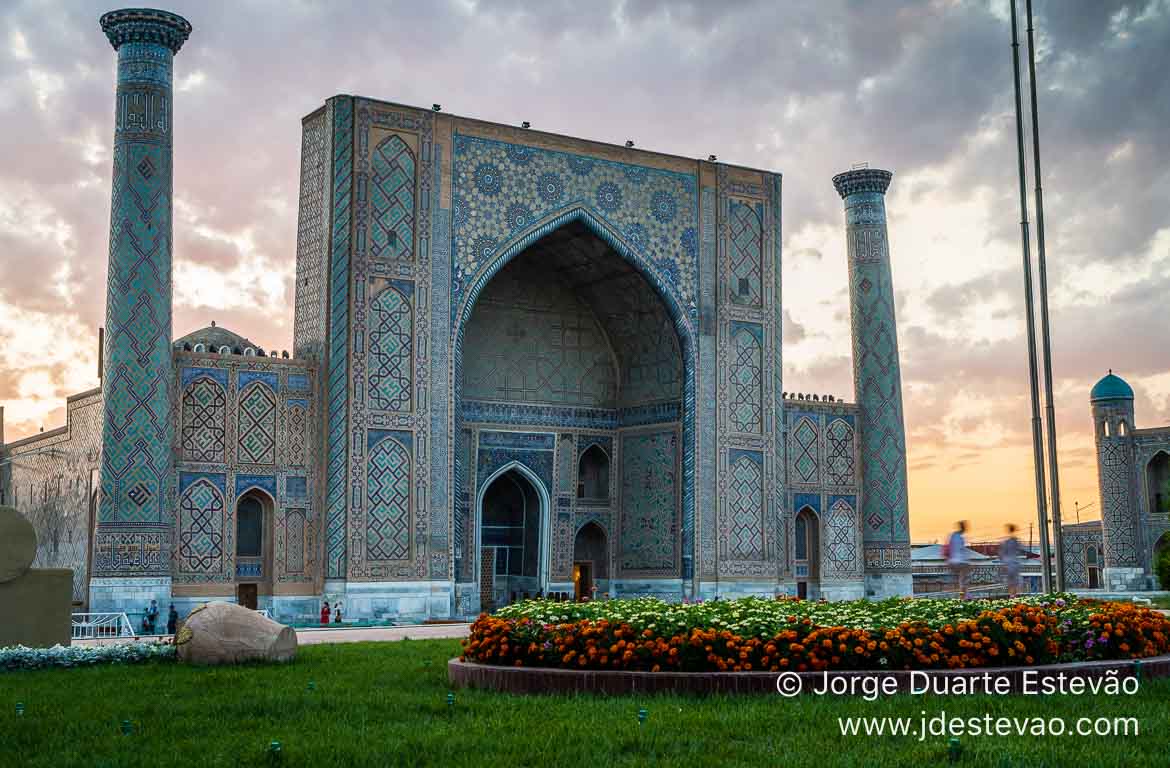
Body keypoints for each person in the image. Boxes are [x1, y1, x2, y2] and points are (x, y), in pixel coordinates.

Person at [946, 521, 970, 599]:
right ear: (963, 528)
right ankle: (963, 596)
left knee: (960, 580)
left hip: (953, 561)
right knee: (963, 580)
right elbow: (960, 550)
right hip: (959, 561)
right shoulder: (959, 537)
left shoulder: (954, 536)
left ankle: (962, 593)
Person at [999, 523, 1022, 598]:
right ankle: (1013, 595)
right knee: (1015, 581)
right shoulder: (1016, 541)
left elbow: (1001, 553)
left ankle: (1011, 595)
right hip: (1014, 563)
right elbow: (1019, 551)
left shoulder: (1006, 542)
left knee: (1010, 581)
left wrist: (1004, 563)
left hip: (1008, 563)